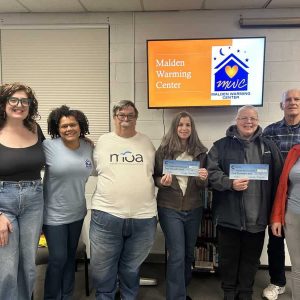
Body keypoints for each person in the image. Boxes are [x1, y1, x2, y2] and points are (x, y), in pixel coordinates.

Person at [207, 105, 283, 300]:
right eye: (244, 118)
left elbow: (279, 182)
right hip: (228, 216)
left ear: (258, 121)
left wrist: (276, 214)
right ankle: (229, 292)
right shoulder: (220, 146)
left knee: (251, 259)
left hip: (257, 217)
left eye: (253, 118)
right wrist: (229, 183)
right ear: (236, 120)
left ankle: (246, 292)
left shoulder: (269, 147)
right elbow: (212, 174)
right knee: (228, 258)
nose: (249, 122)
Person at [90, 100, 157, 299]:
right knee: (103, 269)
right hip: (106, 216)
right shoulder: (102, 142)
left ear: (136, 118)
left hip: (144, 218)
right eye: (121, 115)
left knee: (131, 267)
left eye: (130, 115)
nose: (126, 119)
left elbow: (155, 174)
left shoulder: (147, 143)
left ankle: (129, 296)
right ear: (114, 118)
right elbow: (90, 170)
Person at [154, 111, 208, 300]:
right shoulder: (163, 151)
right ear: (174, 127)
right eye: (180, 125)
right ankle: (176, 296)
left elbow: (203, 184)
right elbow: (155, 177)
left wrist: (203, 179)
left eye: (188, 125)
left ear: (192, 128)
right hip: (169, 207)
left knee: (187, 253)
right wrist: (162, 182)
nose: (184, 128)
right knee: (176, 253)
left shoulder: (201, 152)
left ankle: (181, 289)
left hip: (193, 207)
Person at [42, 105, 94, 299]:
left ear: (80, 126)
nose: (69, 129)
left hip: (77, 213)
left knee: (70, 258)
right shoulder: (48, 147)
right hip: (53, 214)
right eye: (64, 126)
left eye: (72, 125)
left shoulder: (88, 147)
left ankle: (67, 296)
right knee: (58, 258)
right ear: (57, 128)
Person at [0, 83, 45, 300]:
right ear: (3, 103)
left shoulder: (35, 128)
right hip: (2, 202)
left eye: (25, 101)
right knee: (7, 267)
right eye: (14, 100)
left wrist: (80, 142)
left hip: (34, 200)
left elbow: (53, 153)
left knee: (28, 265)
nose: (20, 105)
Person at [262, 88, 300, 300]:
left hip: (299, 195)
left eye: (297, 99)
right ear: (281, 105)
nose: (292, 102)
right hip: (276, 195)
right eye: (288, 100)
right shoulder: (270, 132)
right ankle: (277, 282)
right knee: (276, 241)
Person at [271, 144, 300, 300]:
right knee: (298, 267)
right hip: (293, 215)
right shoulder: (295, 151)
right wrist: (276, 217)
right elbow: (283, 186)